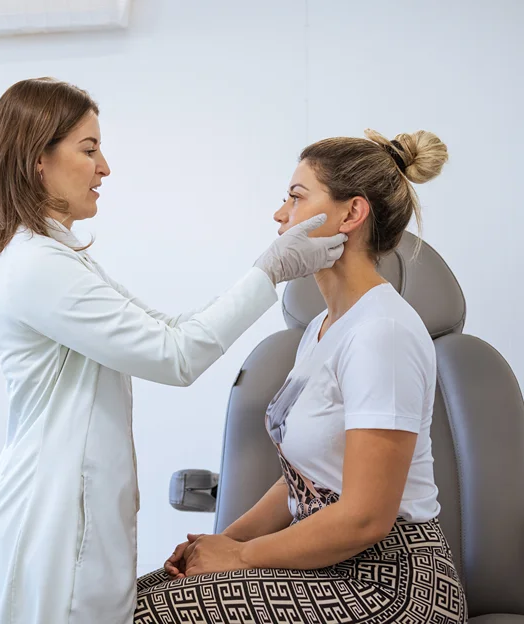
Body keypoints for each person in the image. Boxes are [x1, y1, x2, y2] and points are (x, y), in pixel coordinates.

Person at [0, 77, 346, 624]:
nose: (105, 168)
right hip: (48, 524)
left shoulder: (57, 258)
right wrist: (269, 271)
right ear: (36, 162)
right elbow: (176, 355)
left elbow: (168, 328)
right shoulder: (36, 266)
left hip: (69, 514)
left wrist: (267, 271)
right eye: (89, 150)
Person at [137, 129, 466, 623]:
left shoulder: (383, 333)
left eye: (295, 197)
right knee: (129, 599)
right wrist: (225, 540)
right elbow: (300, 485)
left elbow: (365, 517)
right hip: (325, 564)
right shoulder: (321, 328)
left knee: (147, 615)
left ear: (351, 214)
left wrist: (241, 557)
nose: (279, 215)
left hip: (390, 585)